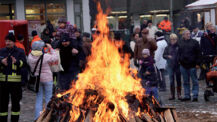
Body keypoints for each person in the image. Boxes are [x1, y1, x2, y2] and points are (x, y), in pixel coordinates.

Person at [28, 41, 58, 120]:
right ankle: (48, 117)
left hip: (37, 80)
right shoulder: (45, 56)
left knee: (39, 98)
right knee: (49, 98)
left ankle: (38, 117)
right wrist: (50, 48)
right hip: (47, 79)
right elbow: (55, 57)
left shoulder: (30, 57)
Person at [0, 33, 26, 122]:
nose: (7, 43)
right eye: (6, 41)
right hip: (3, 83)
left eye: (9, 41)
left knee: (15, 105)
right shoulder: (1, 51)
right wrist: (1, 62)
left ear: (14, 42)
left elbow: (24, 64)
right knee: (2, 104)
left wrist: (18, 62)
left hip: (16, 84)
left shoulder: (20, 51)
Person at [178, 30, 201, 102]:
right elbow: (178, 53)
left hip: (192, 65)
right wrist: (179, 61)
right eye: (187, 34)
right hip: (183, 65)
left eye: (189, 34)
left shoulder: (195, 42)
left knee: (194, 81)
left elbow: (199, 53)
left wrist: (198, 63)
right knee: (185, 81)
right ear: (183, 35)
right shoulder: (180, 42)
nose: (188, 35)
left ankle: (195, 95)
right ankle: (187, 95)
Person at [163, 33, 181, 100]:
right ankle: (172, 94)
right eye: (171, 39)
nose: (173, 40)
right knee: (171, 80)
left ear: (176, 39)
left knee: (178, 80)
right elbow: (164, 55)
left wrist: (179, 59)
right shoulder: (167, 47)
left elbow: (181, 54)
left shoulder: (179, 46)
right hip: (170, 65)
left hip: (177, 65)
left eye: (174, 39)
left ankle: (179, 94)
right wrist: (168, 56)